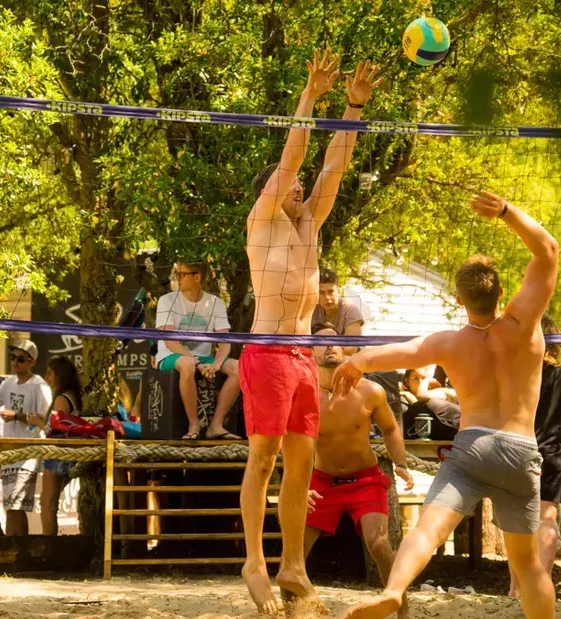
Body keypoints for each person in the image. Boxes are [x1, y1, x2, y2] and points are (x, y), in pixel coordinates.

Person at [334, 190, 559, 619]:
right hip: (520, 450)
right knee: (528, 565)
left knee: (426, 531)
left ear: (459, 300)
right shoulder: (524, 325)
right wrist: (507, 213)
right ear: (502, 293)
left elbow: (403, 351)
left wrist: (358, 360)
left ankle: (395, 590)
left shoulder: (451, 344)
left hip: (473, 447)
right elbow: (548, 249)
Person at [240, 50, 382, 614]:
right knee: (263, 460)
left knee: (304, 461)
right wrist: (309, 98)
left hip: (302, 355)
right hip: (268, 350)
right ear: (271, 194)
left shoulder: (308, 229)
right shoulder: (264, 222)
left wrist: (351, 107)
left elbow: (332, 168)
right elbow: (296, 158)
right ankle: (253, 561)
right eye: (287, 187)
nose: (298, 191)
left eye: (297, 190)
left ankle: (292, 564)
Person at [306, 324, 414, 618]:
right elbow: (287, 443)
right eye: (321, 343)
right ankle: (291, 610)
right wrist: (297, 485)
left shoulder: (370, 391)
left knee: (378, 544)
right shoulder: (303, 393)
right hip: (320, 481)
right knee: (294, 551)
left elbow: (391, 428)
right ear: (309, 350)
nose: (329, 347)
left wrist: (401, 464)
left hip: (364, 480)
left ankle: (401, 608)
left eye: (335, 342)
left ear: (346, 349)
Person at [507, 315, 561, 598]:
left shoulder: (515, 368)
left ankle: (515, 587)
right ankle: (539, 585)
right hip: (550, 453)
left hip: (516, 450)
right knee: (547, 520)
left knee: (518, 522)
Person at [155, 263, 241, 440]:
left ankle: (216, 425)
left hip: (204, 358)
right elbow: (170, 342)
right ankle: (194, 424)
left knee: (239, 368)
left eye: (182, 274)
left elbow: (225, 342)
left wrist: (216, 364)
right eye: (175, 274)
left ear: (197, 277)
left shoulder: (215, 302)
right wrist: (198, 363)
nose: (177, 278)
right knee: (187, 364)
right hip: (170, 355)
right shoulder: (167, 301)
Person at [0, 339, 51, 536]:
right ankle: (16, 549)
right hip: (10, 454)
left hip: (28, 454)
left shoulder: (39, 386)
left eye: (20, 359)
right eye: (12, 358)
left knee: (16, 507)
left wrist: (16, 416)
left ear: (32, 362)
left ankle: (16, 548)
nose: (15, 363)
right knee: (11, 507)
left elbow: (43, 420)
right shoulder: (8, 383)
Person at [40, 356, 83, 536]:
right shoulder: (74, 396)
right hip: (71, 452)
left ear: (59, 376)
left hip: (58, 454)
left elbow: (56, 428)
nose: (47, 378)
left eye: (50, 374)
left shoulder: (61, 400)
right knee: (49, 503)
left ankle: (48, 544)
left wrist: (38, 422)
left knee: (47, 504)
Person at [313, 268, 365, 354]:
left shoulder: (350, 310)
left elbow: (351, 349)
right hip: (322, 359)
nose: (327, 298)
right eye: (321, 293)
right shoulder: (313, 309)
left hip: (349, 360)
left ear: (339, 290)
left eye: (331, 292)